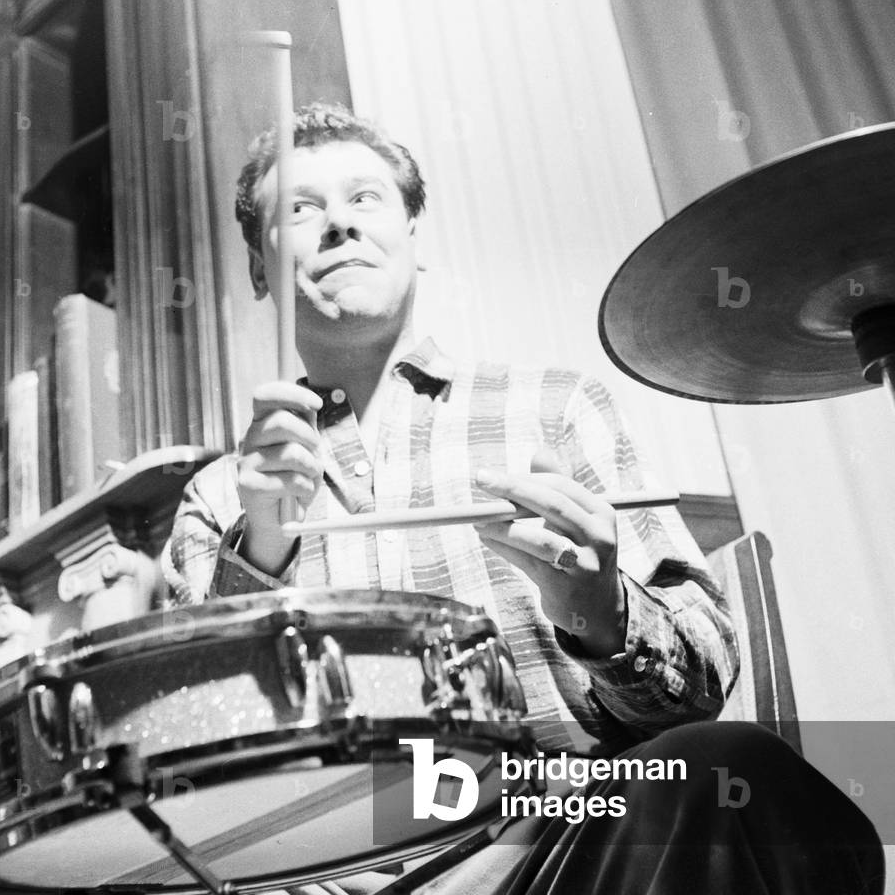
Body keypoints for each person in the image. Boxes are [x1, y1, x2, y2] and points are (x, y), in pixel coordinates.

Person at [164, 103, 883, 893]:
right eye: (300, 210)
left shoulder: (554, 409)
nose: (337, 225)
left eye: (365, 199)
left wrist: (600, 613)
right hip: (325, 881)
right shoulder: (216, 497)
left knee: (727, 774)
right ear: (262, 268)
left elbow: (702, 685)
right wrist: (260, 554)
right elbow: (190, 768)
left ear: (414, 237)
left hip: (563, 854)